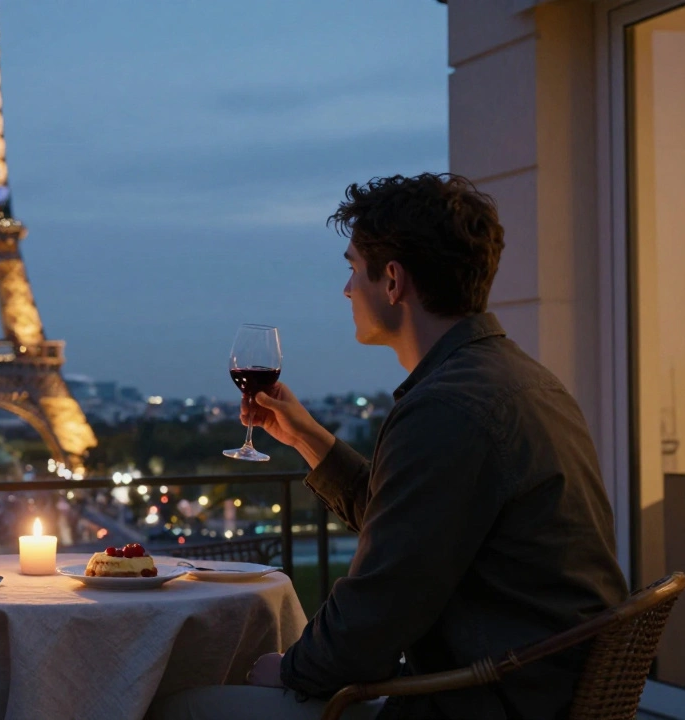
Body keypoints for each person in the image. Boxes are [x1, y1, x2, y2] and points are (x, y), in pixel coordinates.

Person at [150, 174, 627, 720]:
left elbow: (378, 607)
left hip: (483, 702)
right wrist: (307, 438)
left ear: (393, 281)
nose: (348, 289)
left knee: (184, 710)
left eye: (354, 269)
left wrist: (291, 668)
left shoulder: (448, 408)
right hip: (535, 685)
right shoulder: (518, 382)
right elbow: (414, 527)